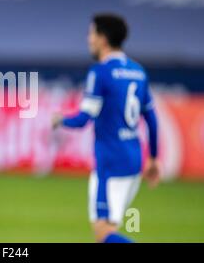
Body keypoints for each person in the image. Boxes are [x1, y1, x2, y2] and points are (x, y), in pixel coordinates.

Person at [52, 13, 159, 243]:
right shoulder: (138, 71)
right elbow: (151, 117)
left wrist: (60, 120)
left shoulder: (100, 72)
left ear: (103, 38)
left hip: (111, 163)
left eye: (91, 33)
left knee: (103, 234)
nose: (88, 39)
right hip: (133, 159)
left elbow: (83, 120)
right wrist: (153, 158)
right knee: (107, 229)